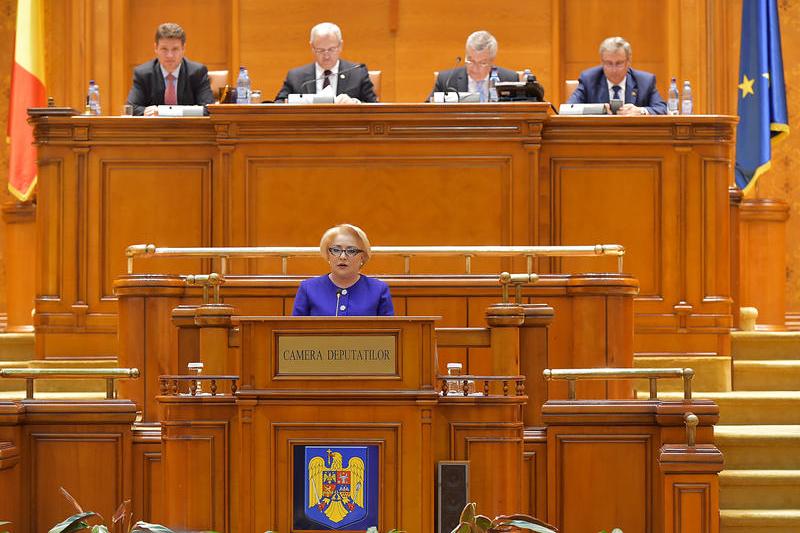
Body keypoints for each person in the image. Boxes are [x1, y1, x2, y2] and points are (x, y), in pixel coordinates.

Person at [292, 224, 394, 316]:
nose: (343, 256)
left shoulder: (378, 289)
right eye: (336, 250)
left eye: (351, 251)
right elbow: (294, 332)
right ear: (328, 255)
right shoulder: (308, 288)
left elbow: (390, 333)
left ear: (362, 256)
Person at [274, 22, 377, 104]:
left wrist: (355, 103)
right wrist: (292, 103)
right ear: (312, 48)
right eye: (320, 50)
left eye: (331, 49)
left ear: (340, 46)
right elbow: (278, 103)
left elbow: (374, 106)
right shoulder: (296, 77)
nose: (326, 56)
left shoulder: (358, 73)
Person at [126, 23, 215, 116]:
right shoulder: (143, 74)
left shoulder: (197, 72)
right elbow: (131, 108)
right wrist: (144, 111)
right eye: (164, 49)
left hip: (188, 128)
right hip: (155, 129)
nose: (170, 55)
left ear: (183, 48)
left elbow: (208, 109)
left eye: (175, 49)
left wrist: (162, 112)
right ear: (156, 48)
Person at [567, 36, 667, 115]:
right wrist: (598, 109)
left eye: (619, 63)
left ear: (628, 62)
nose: (614, 69)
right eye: (609, 63)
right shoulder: (589, 79)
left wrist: (641, 111)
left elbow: (662, 109)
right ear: (602, 62)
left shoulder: (645, 81)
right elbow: (568, 108)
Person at [430, 31, 519, 100]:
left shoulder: (509, 79)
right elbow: (427, 112)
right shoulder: (446, 80)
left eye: (482, 63)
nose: (475, 68)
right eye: (470, 60)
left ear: (492, 62)